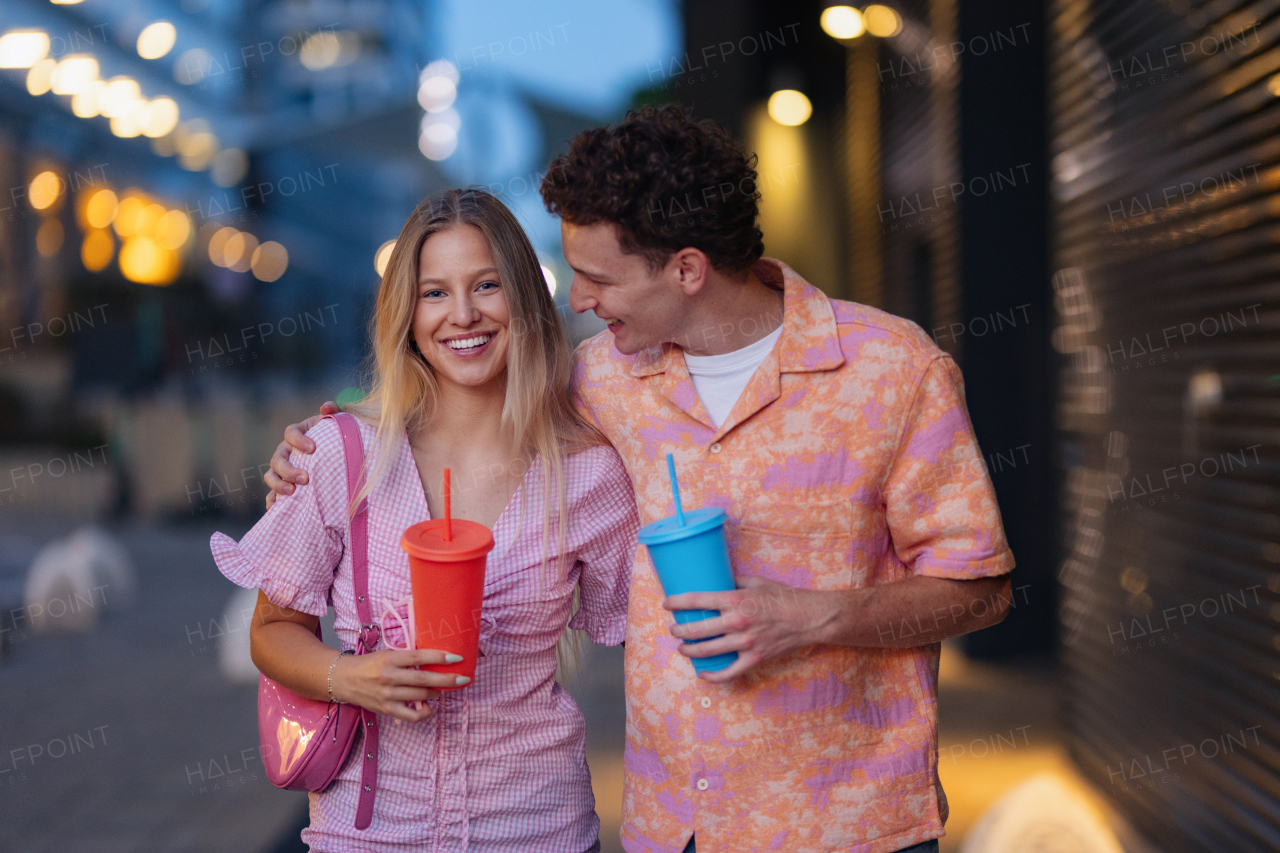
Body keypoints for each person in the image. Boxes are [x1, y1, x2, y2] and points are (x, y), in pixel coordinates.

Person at [268, 106, 1015, 853]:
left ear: (686, 269)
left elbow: (983, 589)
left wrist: (813, 615)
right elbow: (472, 396)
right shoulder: (601, 379)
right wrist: (331, 441)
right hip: (675, 826)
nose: (581, 301)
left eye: (597, 279)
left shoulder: (891, 370)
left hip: (848, 823)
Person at [213, 187, 638, 852]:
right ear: (405, 312)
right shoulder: (337, 455)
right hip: (369, 829)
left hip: (536, 826)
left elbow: (646, 636)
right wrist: (347, 676)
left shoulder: (588, 473)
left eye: (487, 285)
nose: (462, 314)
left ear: (524, 297)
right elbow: (271, 631)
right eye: (434, 292)